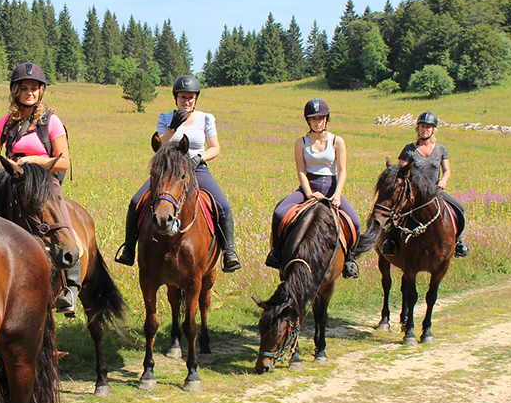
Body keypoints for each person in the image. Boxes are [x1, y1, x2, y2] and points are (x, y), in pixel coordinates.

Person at [0, 61, 79, 314]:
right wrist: (7, 164)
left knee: (63, 225)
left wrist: (35, 160)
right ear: (15, 91)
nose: (30, 92)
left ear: (41, 91)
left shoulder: (51, 121)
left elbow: (63, 160)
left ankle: (70, 287)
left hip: (43, 182)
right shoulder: (6, 123)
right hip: (10, 181)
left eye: (35, 88)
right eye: (24, 88)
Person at [113, 75, 241, 272]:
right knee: (135, 201)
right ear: (175, 98)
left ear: (196, 98)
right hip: (169, 170)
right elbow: (159, 146)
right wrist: (172, 126)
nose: (186, 101)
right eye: (182, 97)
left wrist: (199, 158)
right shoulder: (165, 118)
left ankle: (229, 252)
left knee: (222, 205)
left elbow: (215, 148)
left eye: (190, 97)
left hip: (197, 168)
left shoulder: (206, 118)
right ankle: (129, 248)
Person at [264, 98, 362, 278]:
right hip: (309, 185)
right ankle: (277, 253)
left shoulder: (337, 141)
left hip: (332, 186)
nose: (318, 122)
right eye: (314, 118)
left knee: (355, 222)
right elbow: (301, 170)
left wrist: (338, 193)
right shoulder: (301, 142)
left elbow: (342, 170)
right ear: (307, 120)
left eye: (321, 118)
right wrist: (308, 193)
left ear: (327, 119)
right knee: (279, 213)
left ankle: (350, 259)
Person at [381, 111, 469, 257]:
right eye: (422, 126)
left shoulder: (441, 149)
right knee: (396, 212)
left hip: (435, 191)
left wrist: (444, 180)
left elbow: (447, 170)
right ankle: (390, 241)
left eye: (428, 127)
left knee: (459, 209)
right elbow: (401, 173)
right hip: (413, 194)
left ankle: (458, 242)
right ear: (418, 128)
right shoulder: (409, 149)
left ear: (433, 129)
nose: (425, 129)